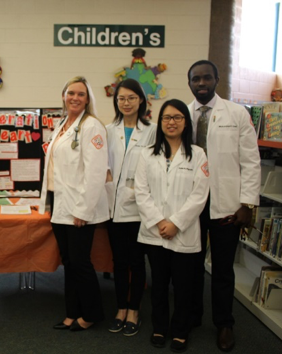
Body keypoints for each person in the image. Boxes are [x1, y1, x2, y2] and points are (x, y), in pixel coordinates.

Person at [187, 60, 261, 352]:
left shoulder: (237, 113)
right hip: (191, 203)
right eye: (196, 79)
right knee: (190, 267)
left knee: (222, 269)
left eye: (207, 78)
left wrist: (247, 203)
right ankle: (192, 316)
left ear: (217, 79)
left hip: (227, 206)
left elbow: (251, 161)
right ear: (189, 82)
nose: (201, 83)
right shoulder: (183, 114)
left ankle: (224, 324)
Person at [135, 99, 209, 352]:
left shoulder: (198, 154)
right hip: (155, 233)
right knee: (158, 285)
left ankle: (180, 330)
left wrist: (176, 223)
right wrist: (159, 222)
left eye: (177, 117)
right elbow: (141, 193)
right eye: (167, 117)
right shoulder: (147, 154)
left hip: (184, 231)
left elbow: (199, 195)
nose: (171, 122)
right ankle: (159, 327)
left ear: (186, 122)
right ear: (160, 122)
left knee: (184, 285)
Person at [39, 76, 109, 331]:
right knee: (68, 261)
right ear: (63, 96)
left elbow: (96, 172)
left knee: (80, 262)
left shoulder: (92, 127)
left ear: (88, 99)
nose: (75, 98)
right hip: (59, 202)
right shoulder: (62, 125)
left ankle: (90, 314)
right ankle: (72, 312)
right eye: (71, 93)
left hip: (80, 206)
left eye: (81, 94)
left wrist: (83, 209)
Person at [106, 79, 156, 336]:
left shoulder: (152, 130)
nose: (126, 103)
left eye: (131, 98)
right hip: (113, 207)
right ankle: (120, 308)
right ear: (116, 102)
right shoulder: (107, 130)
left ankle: (134, 309)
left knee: (137, 262)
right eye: (121, 98)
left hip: (139, 208)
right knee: (117, 261)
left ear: (141, 100)